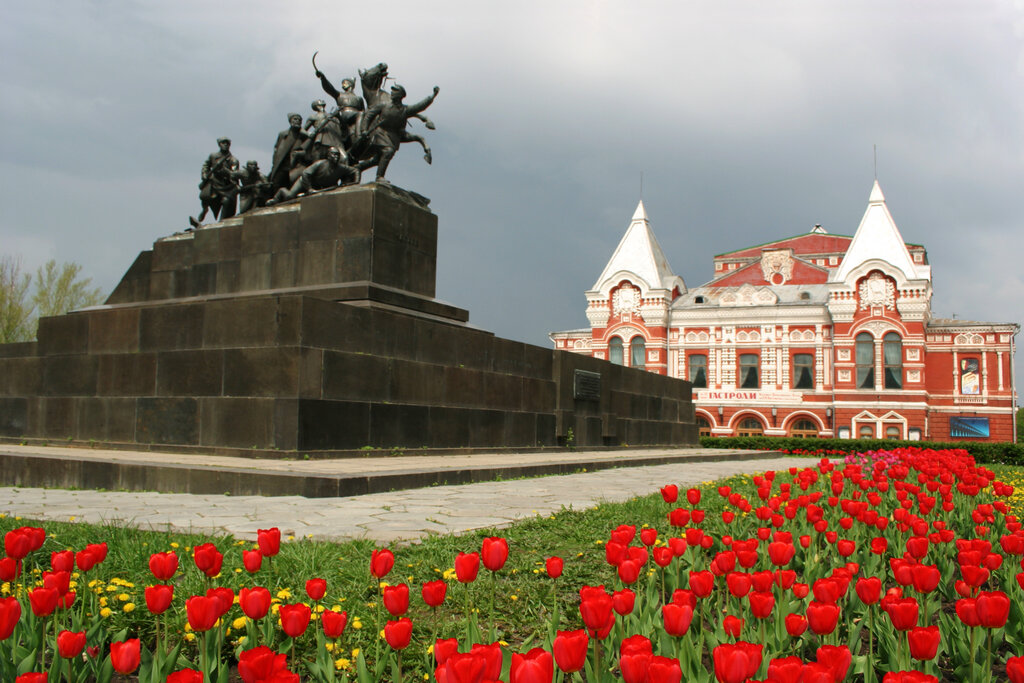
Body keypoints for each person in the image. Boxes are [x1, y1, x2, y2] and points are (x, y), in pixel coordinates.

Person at [361, 84, 440, 181]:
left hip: (395, 135)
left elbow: (420, 106)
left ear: (400, 95)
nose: (392, 93)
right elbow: (369, 115)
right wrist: (364, 130)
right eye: (392, 91)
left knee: (377, 159)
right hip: (381, 133)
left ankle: (359, 168)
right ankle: (379, 177)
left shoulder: (405, 110)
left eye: (395, 91)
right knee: (388, 151)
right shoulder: (383, 105)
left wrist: (432, 96)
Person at [266, 147, 360, 204]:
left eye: (337, 155)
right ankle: (277, 196)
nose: (336, 157)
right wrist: (309, 189)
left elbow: (355, 170)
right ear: (328, 155)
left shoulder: (341, 168)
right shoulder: (320, 164)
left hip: (318, 187)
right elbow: (305, 174)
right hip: (305, 182)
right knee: (290, 196)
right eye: (333, 154)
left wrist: (356, 182)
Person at [190, 137, 239, 228]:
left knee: (226, 202)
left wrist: (226, 172)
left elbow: (234, 174)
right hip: (214, 182)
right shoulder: (213, 156)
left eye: (227, 143)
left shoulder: (233, 160)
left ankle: (222, 222)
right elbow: (206, 165)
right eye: (223, 143)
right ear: (219, 144)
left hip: (226, 186)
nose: (225, 145)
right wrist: (204, 174)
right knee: (205, 196)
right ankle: (205, 209)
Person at [315, 71, 365, 153]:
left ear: (350, 84)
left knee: (363, 115)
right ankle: (359, 135)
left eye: (345, 83)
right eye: (342, 83)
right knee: (361, 114)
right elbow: (329, 88)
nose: (343, 85)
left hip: (356, 116)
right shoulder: (339, 95)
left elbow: (363, 110)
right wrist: (323, 78)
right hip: (344, 114)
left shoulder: (359, 98)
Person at [268, 113, 309, 193]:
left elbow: (309, 152)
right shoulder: (283, 134)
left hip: (296, 165)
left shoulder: (304, 136)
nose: (297, 121)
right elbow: (276, 149)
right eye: (295, 119)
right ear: (290, 121)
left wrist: (300, 153)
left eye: (299, 120)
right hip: (282, 165)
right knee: (276, 183)